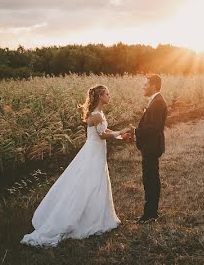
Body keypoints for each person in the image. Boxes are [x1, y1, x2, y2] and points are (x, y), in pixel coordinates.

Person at [21, 85, 133, 248]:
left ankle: (98, 217)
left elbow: (105, 130)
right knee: (91, 183)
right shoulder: (96, 115)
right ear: (100, 96)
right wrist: (121, 130)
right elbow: (102, 135)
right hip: (93, 152)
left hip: (95, 150)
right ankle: (86, 220)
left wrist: (121, 136)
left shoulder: (98, 114)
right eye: (107, 94)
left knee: (96, 182)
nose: (110, 96)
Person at [127, 74, 168, 222]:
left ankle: (150, 214)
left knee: (150, 179)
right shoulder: (156, 101)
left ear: (154, 86)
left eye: (146, 84)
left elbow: (153, 128)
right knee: (151, 178)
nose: (143, 87)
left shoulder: (157, 103)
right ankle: (151, 213)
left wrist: (135, 131)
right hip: (151, 146)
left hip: (151, 147)